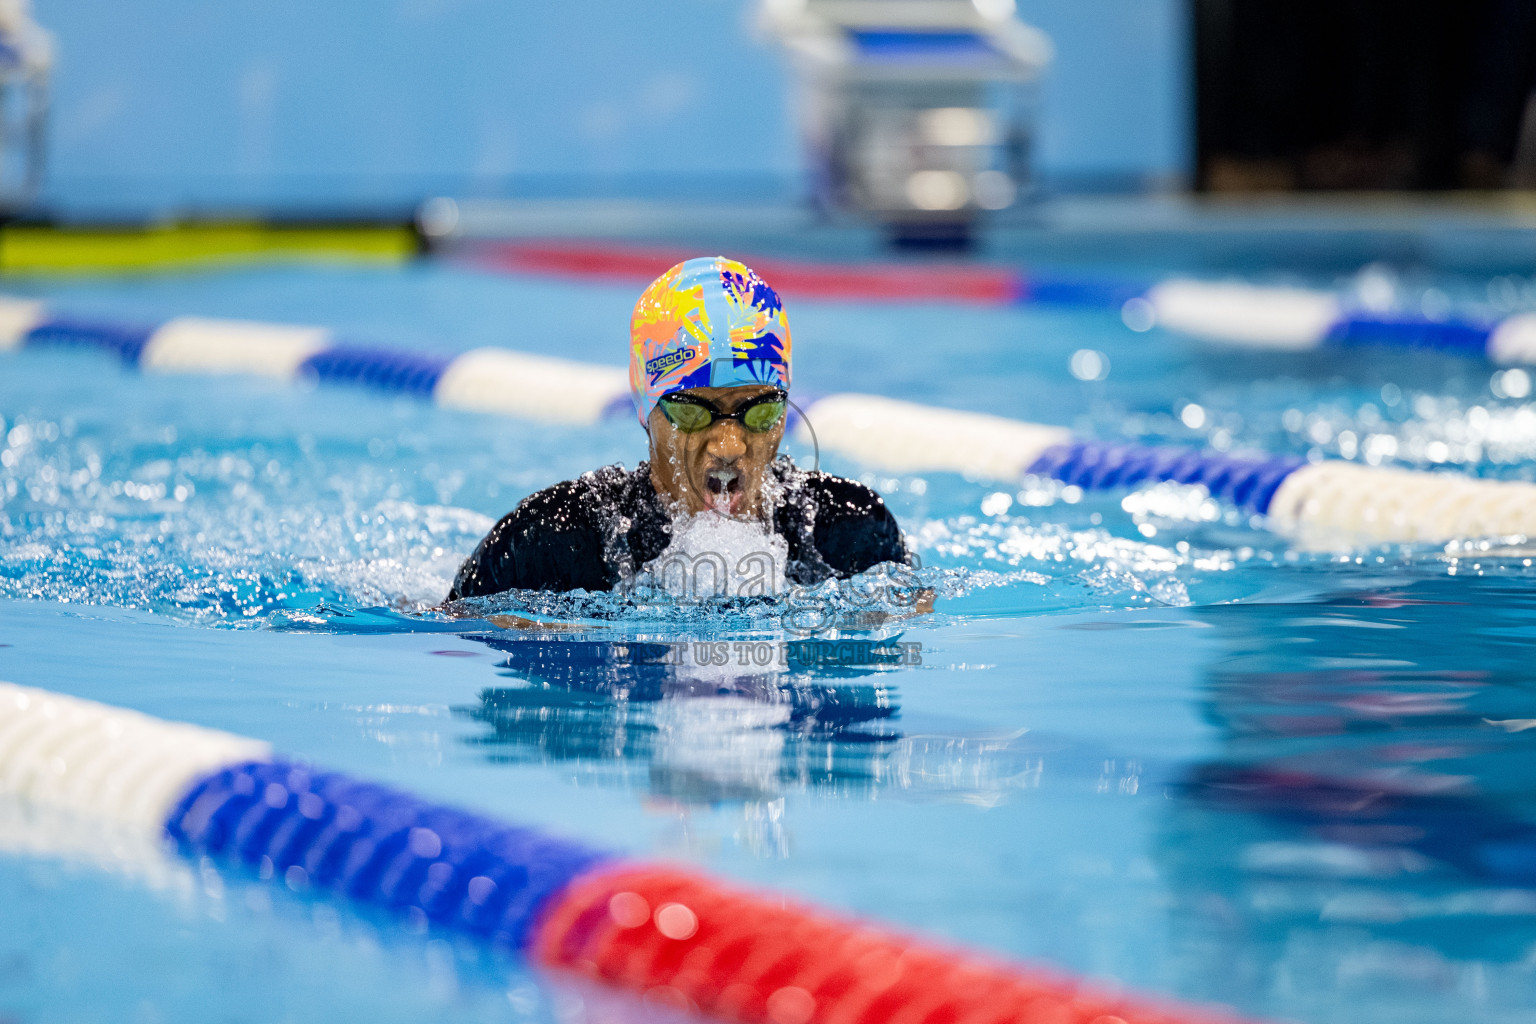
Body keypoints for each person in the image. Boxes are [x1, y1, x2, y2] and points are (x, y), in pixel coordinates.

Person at [447, 256, 914, 601]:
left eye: (759, 411)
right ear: (645, 411)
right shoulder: (553, 543)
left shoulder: (849, 535)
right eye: (693, 411)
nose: (730, 445)